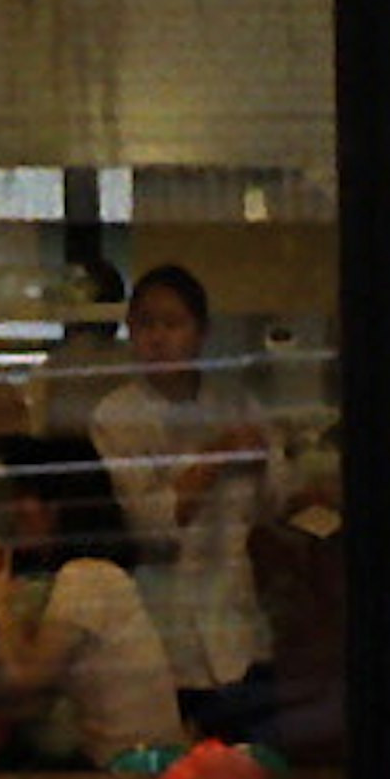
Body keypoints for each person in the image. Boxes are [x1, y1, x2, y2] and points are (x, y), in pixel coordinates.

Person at [90, 264, 276, 732]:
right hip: (165, 628)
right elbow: (149, 528)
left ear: (201, 332)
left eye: (172, 324)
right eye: (145, 324)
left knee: (250, 763)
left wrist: (262, 465)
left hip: (237, 621)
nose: (158, 338)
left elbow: (274, 503)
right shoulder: (117, 415)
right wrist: (215, 457)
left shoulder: (237, 404)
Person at [0, 455, 185, 772]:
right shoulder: (94, 575)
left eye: (25, 495)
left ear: (56, 507)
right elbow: (27, 693)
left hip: (132, 769)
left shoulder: (86, 576)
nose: (14, 509)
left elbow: (24, 679)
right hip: (131, 763)